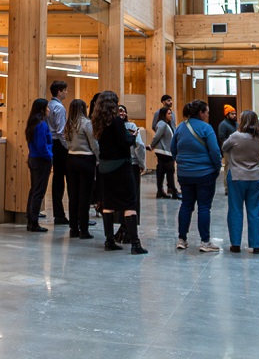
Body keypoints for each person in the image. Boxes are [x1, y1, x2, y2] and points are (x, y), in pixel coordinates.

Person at [92, 91, 147, 254]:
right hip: (121, 167)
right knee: (129, 203)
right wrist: (133, 136)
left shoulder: (97, 121)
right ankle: (135, 243)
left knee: (108, 204)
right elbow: (124, 142)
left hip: (105, 166)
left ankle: (109, 241)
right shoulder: (116, 121)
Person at [170, 99, 223, 252]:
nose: (207, 115)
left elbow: (173, 148)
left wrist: (181, 162)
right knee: (204, 207)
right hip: (205, 173)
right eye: (207, 112)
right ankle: (205, 242)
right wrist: (217, 167)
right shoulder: (206, 128)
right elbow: (215, 151)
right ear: (201, 113)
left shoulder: (180, 127)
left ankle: (182, 239)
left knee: (186, 205)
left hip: (184, 174)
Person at [223, 110, 259, 254]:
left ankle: (235, 244)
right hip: (255, 177)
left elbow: (224, 147)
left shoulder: (236, 136)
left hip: (237, 176)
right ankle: (257, 245)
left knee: (235, 210)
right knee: (254, 212)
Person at [64, 98, 99, 240]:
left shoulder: (68, 124)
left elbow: (65, 142)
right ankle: (84, 229)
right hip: (85, 159)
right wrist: (99, 158)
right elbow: (94, 143)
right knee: (85, 196)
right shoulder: (87, 123)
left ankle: (73, 228)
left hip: (71, 158)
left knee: (73, 195)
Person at [26, 98, 53, 233]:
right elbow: (42, 146)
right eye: (47, 107)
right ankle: (34, 222)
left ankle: (30, 220)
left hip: (33, 158)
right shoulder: (42, 125)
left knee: (34, 190)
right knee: (39, 192)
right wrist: (49, 157)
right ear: (42, 110)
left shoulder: (32, 123)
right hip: (41, 160)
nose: (49, 110)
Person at [47, 80, 69, 225]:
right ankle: (60, 214)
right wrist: (68, 146)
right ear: (59, 92)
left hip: (52, 143)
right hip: (59, 145)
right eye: (65, 90)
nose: (67, 92)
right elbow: (61, 131)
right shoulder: (59, 108)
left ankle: (58, 213)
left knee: (57, 178)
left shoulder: (49, 105)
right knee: (61, 179)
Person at [150, 107, 179, 199]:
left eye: (171, 113)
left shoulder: (166, 124)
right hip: (164, 152)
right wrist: (151, 145)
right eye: (168, 114)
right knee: (170, 170)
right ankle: (173, 191)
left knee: (161, 171)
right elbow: (157, 136)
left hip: (165, 151)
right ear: (164, 115)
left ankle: (160, 191)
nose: (171, 115)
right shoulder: (162, 124)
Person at [217, 104, 237, 195]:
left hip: (236, 149)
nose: (234, 115)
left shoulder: (236, 124)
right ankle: (227, 188)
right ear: (227, 115)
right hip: (228, 150)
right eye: (232, 114)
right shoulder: (223, 124)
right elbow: (222, 137)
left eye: (235, 114)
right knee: (228, 168)